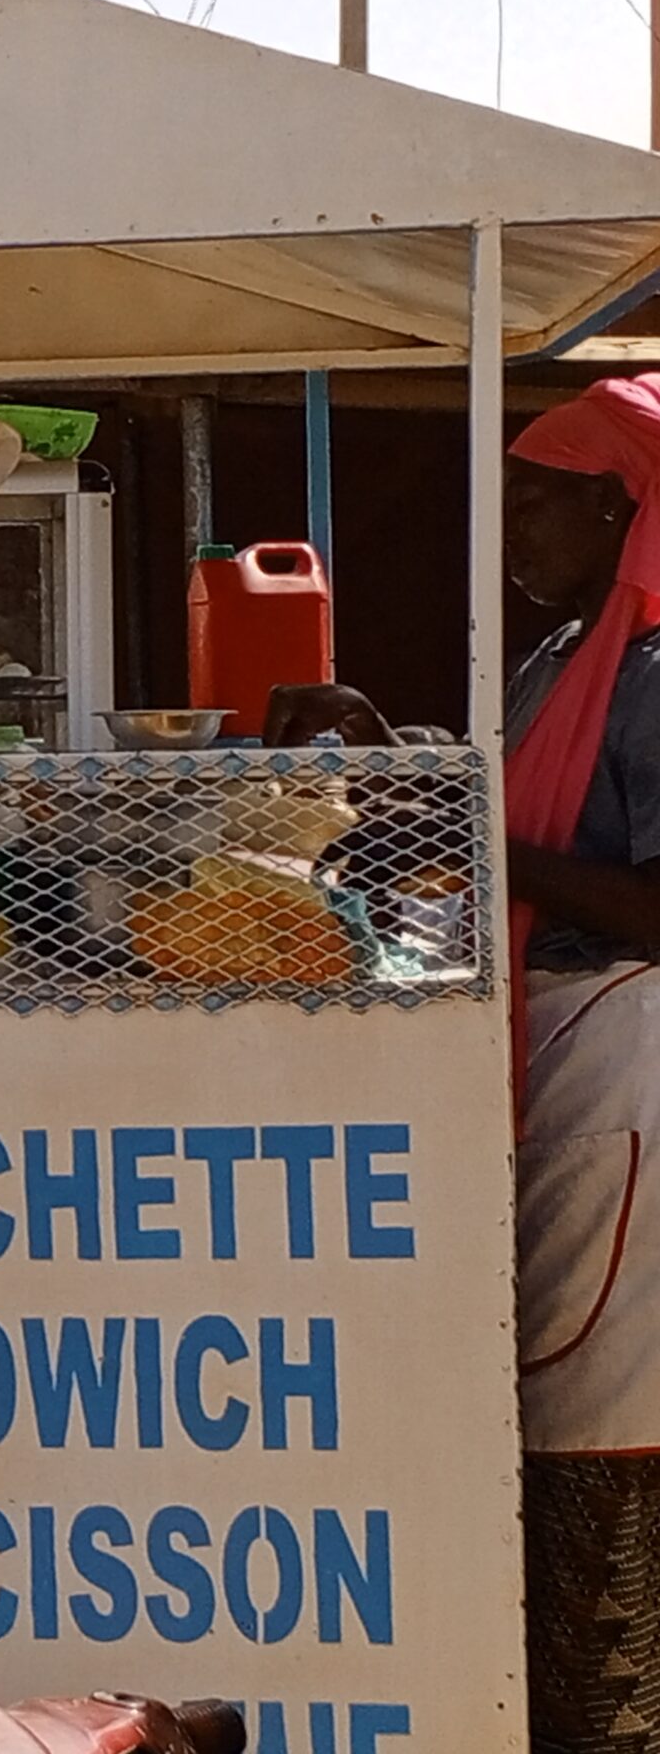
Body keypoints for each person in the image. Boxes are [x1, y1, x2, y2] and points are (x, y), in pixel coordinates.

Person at [263, 372, 660, 1754]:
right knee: (554, 1409)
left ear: (622, 506)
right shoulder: (569, 654)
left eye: (539, 505)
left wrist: (492, 850)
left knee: (605, 1424)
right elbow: (492, 808)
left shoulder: (658, 669)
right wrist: (393, 756)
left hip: (628, 1063)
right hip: (557, 1055)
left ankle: (616, 1711)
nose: (516, 537)